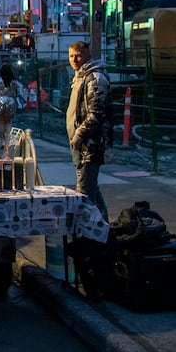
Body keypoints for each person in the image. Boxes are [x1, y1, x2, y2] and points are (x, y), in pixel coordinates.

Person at [67, 41, 110, 219]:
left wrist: (79, 135)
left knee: (85, 192)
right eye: (71, 56)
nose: (74, 59)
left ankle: (92, 235)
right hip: (82, 145)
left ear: (87, 55)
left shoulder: (95, 79)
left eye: (78, 55)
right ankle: (104, 230)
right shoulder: (80, 77)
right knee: (91, 189)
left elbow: (96, 114)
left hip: (90, 145)